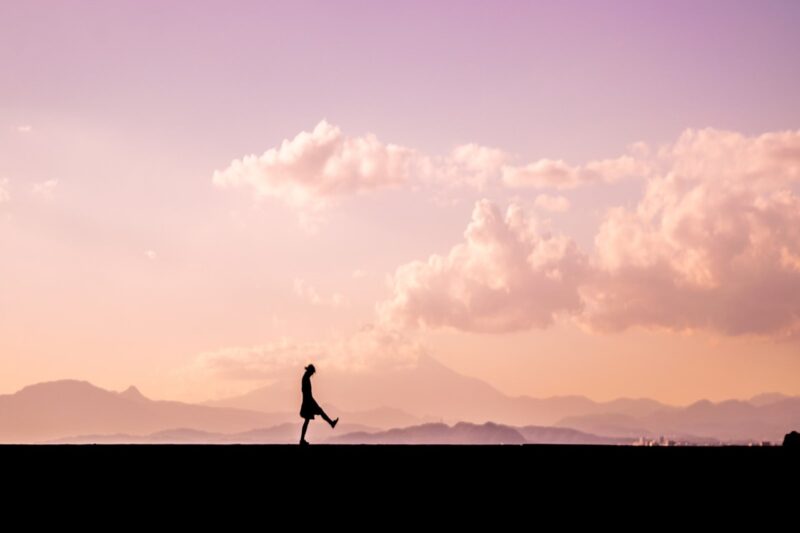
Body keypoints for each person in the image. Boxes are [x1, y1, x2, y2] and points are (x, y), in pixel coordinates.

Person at [299, 364, 338, 445]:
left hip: (308, 401)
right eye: (312, 372)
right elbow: (306, 392)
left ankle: (302, 440)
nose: (312, 374)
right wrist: (311, 402)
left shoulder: (306, 377)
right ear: (310, 371)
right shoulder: (305, 378)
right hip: (308, 402)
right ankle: (331, 423)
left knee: (308, 420)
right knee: (318, 413)